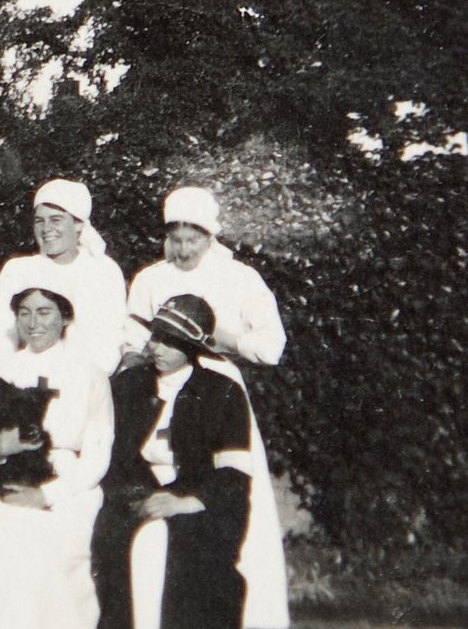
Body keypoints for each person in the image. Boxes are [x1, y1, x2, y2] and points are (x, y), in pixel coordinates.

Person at [122, 186, 289, 629]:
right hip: (161, 387)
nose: (182, 248)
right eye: (174, 237)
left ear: (210, 235)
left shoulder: (241, 278)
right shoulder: (151, 278)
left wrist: (223, 340)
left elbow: (272, 347)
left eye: (192, 238)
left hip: (217, 396)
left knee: (225, 494)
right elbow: (132, 338)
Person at [0, 285, 114, 629]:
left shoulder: (91, 374)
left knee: (45, 547)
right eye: (24, 312)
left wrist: (47, 494)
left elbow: (97, 454)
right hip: (5, 479)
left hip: (69, 483)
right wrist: (0, 448)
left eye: (44, 312)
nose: (33, 322)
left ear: (65, 317)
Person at [93, 295, 253, 629]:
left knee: (196, 565)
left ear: (192, 348)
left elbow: (233, 473)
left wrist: (188, 502)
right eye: (155, 337)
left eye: (171, 342)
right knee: (114, 549)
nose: (157, 348)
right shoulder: (126, 386)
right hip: (132, 493)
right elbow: (109, 455)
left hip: (196, 499)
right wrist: (138, 496)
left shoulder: (221, 392)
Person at [0, 178, 127, 374]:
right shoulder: (17, 270)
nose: (45, 229)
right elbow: (0, 334)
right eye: (39, 221)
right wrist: (14, 377)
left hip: (84, 381)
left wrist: (85, 382)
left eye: (56, 220)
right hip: (26, 382)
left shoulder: (104, 271)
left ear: (78, 224)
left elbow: (110, 340)